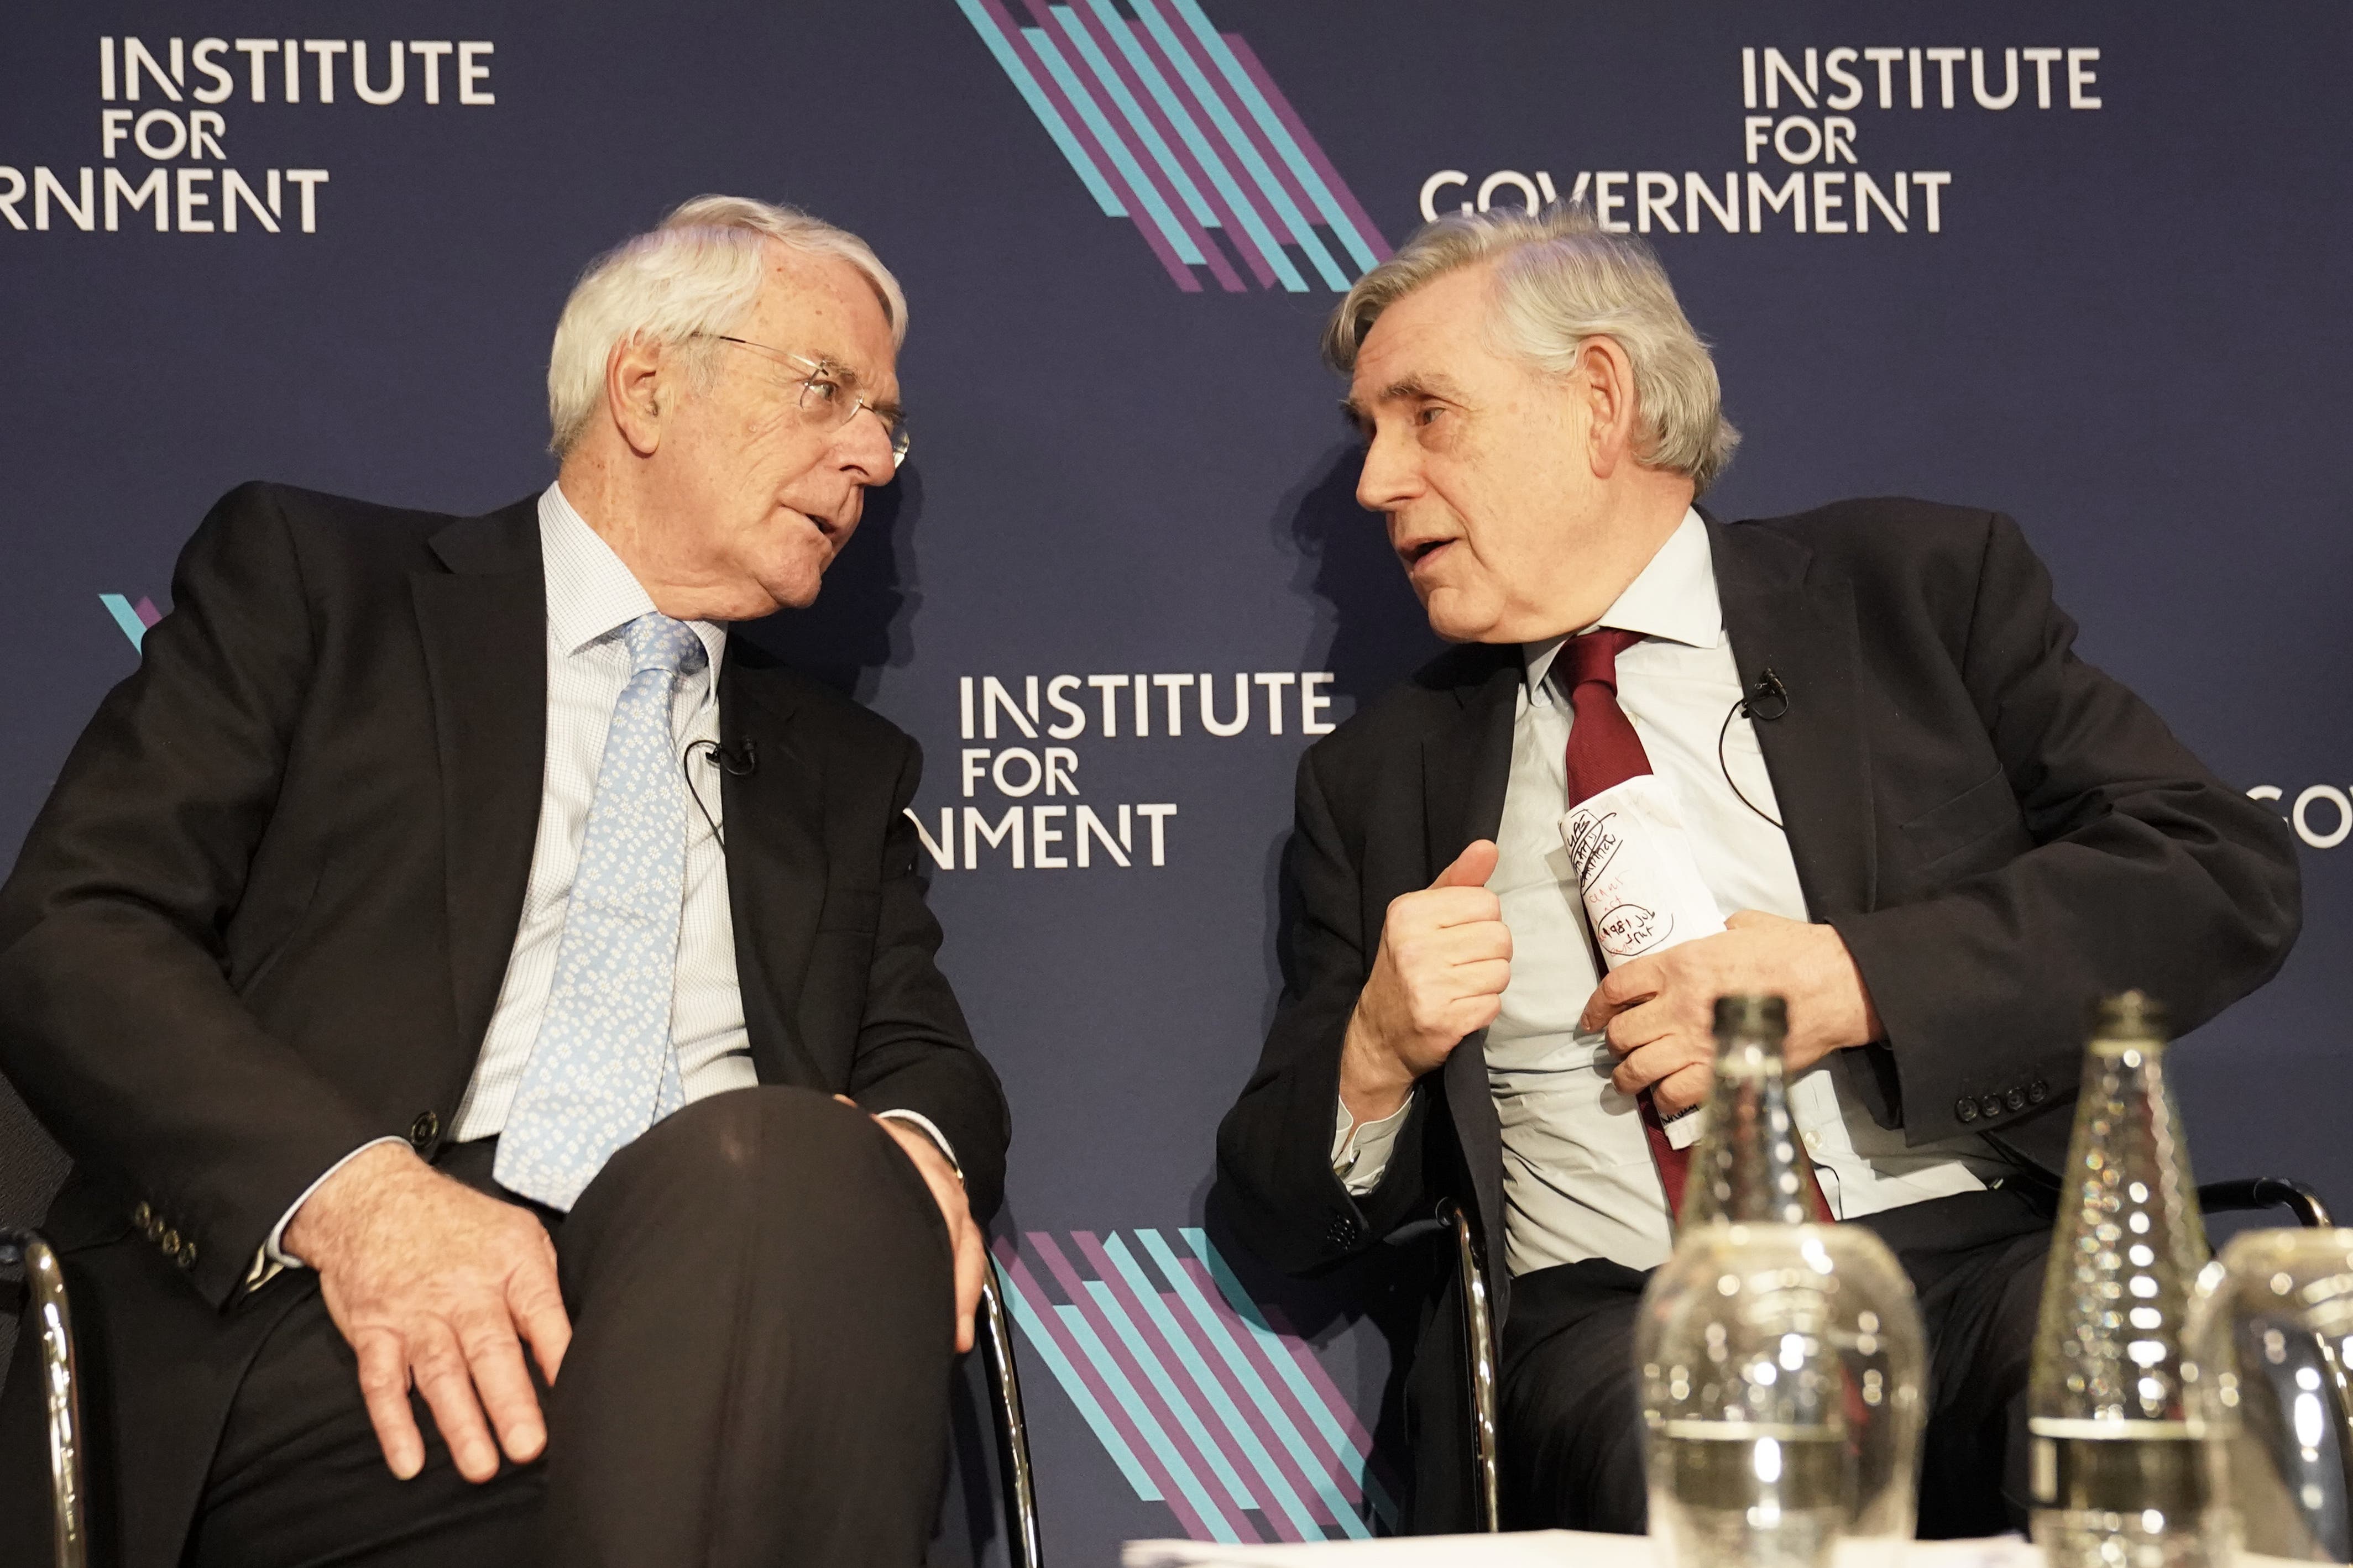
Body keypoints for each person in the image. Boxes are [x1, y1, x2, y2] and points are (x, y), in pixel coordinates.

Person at [1212, 204, 2301, 1537]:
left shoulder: (1911, 595)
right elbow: (1271, 1214)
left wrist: (1855, 980)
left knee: (2127, 1379)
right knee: (1718, 1465)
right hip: (1627, 1323)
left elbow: (2212, 872)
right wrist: (1375, 1050)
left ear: (1598, 401)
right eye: (1367, 431)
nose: (1378, 481)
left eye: (1424, 415)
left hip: (1972, 1267)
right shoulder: (1381, 777)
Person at [0, 196, 1006, 1568]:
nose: (872, 462)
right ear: (644, 385)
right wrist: (359, 1200)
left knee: (791, 1170)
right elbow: (78, 932)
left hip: (740, 1292)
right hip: (343, 1317)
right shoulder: (323, 587)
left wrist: (896, 1162)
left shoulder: (843, 770)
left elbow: (926, 1059)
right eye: (827, 391)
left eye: (885, 423)